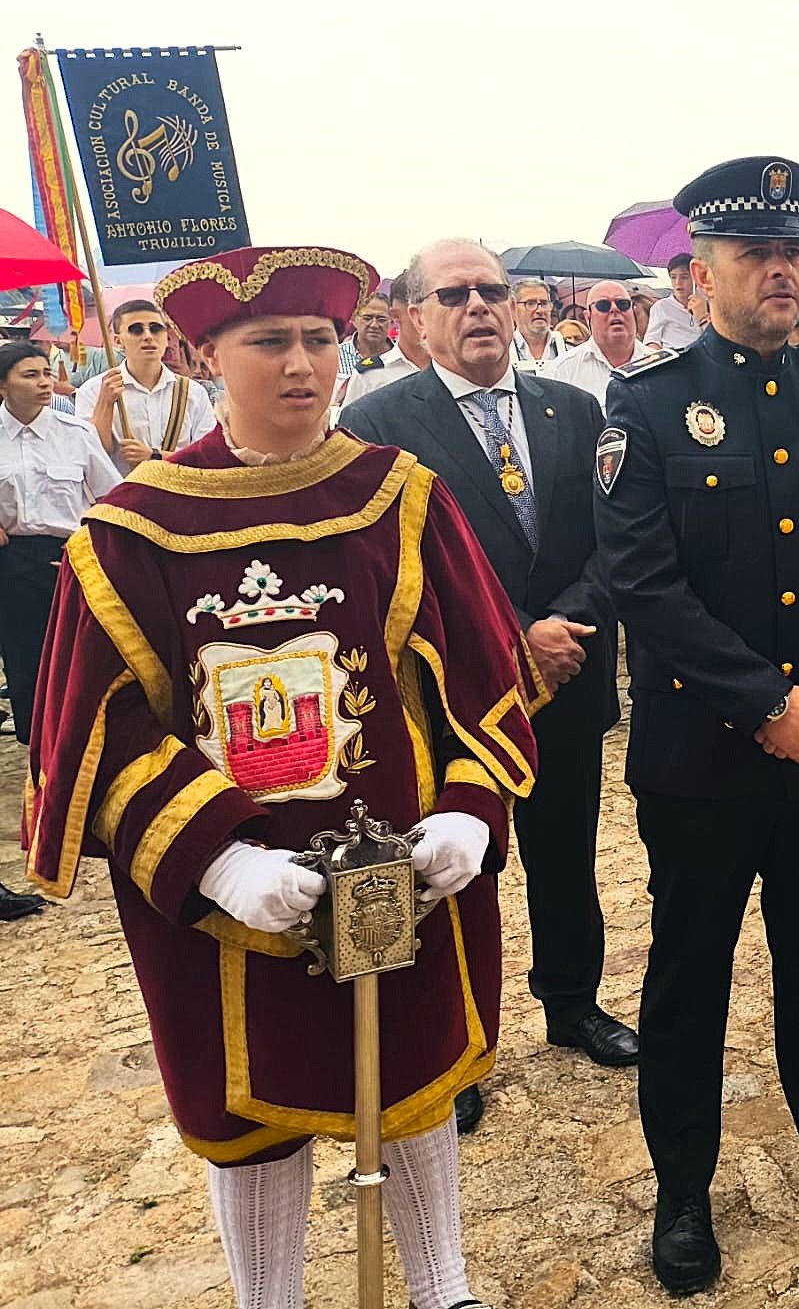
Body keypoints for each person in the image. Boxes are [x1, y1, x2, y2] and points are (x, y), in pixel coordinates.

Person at [25, 244, 539, 1309]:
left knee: (410, 1077)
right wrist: (214, 861)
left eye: (318, 338)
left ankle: (443, 1284)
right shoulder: (132, 532)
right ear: (209, 353)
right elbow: (95, 733)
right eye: (271, 342)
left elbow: (483, 672)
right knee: (247, 1109)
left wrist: (471, 811)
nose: (301, 364)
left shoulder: (399, 497)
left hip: (399, 865)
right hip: (231, 895)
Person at [593, 156, 799, 1296]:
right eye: (754, 256)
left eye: (793, 254)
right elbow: (644, 580)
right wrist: (765, 701)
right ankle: (684, 1186)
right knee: (691, 974)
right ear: (699, 276)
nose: (781, 273)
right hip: (704, 757)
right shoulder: (645, 404)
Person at [338, 240, 634, 1137]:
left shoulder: (575, 409)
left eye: (493, 291)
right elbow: (383, 568)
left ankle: (573, 1000)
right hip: (449, 692)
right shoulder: (378, 421)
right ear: (415, 318)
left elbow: (615, 539)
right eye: (455, 293)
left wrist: (560, 626)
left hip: (569, 671)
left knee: (566, 849)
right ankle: (455, 1043)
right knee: (455, 867)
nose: (479, 307)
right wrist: (512, 638)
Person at [0, 341, 117, 919]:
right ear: (3, 385)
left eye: (48, 373)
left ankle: (74, 773)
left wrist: (89, 544)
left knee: (73, 671)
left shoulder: (75, 435)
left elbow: (112, 495)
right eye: (30, 374)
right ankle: (37, 782)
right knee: (25, 679)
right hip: (9, 564)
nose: (45, 382)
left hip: (70, 558)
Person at [76, 299, 218, 474]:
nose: (148, 336)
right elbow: (91, 457)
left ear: (166, 337)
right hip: (121, 496)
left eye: (155, 328)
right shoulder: (93, 391)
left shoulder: (193, 393)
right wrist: (105, 403)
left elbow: (207, 456)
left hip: (180, 494)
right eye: (136, 330)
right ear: (118, 341)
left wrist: (155, 456)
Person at [541, 278, 655, 411]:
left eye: (622, 304)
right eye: (603, 306)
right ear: (588, 317)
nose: (614, 309)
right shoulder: (561, 372)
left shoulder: (661, 366)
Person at [338, 267, 430, 409]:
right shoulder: (369, 374)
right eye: (367, 318)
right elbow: (347, 428)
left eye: (381, 319)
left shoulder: (453, 369)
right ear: (396, 316)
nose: (374, 325)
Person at [644, 252, 702, 350]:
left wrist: (702, 315)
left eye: (684, 277)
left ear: (695, 278)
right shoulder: (661, 306)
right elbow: (651, 340)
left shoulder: (707, 305)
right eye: (673, 277)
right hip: (674, 357)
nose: (678, 282)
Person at [510, 279, 567, 373]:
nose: (540, 310)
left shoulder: (569, 350)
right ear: (513, 308)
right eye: (530, 303)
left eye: (544, 303)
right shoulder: (502, 354)